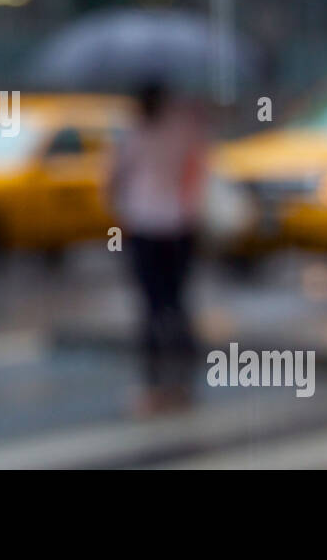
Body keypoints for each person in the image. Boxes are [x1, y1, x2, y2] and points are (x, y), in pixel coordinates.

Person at [107, 79, 209, 415]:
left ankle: (153, 384)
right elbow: (199, 171)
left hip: (145, 227)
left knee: (151, 306)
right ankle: (182, 380)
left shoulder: (132, 133)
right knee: (176, 302)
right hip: (180, 225)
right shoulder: (184, 128)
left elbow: (113, 180)